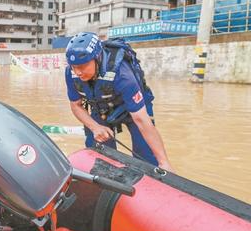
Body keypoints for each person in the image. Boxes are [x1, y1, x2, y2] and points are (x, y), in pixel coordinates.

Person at [64, 32, 172, 170]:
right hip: (101, 108)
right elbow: (75, 105)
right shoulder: (70, 73)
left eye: (83, 66)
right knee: (100, 156)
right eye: (74, 66)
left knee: (147, 157)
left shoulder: (122, 75)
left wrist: (163, 162)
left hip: (132, 109)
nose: (78, 72)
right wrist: (95, 127)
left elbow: (141, 120)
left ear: (97, 58)